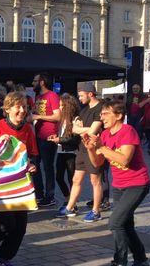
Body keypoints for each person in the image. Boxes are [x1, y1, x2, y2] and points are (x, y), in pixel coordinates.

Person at [82, 101, 150, 266]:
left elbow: (124, 159)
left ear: (119, 115)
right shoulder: (105, 134)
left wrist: (101, 147)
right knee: (126, 224)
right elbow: (97, 163)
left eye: (106, 113)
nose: (102, 117)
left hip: (137, 184)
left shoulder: (128, 131)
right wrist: (91, 149)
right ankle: (141, 260)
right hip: (119, 185)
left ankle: (120, 263)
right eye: (102, 114)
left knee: (115, 223)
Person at [0, 92, 38, 266]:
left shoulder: (28, 130)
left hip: (20, 186)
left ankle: (2, 257)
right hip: (0, 187)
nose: (22, 110)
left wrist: (32, 165)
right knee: (6, 225)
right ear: (7, 109)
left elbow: (32, 155)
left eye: (24, 106)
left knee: (20, 228)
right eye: (18, 106)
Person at [56, 82, 104, 221]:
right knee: (76, 179)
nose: (80, 98)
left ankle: (96, 211)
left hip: (94, 150)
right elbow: (75, 129)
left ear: (90, 94)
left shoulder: (100, 108)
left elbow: (92, 131)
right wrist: (83, 130)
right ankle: (69, 208)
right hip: (82, 149)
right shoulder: (84, 110)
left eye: (82, 95)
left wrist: (82, 129)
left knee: (95, 181)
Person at [31, 73, 61, 207]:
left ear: (42, 82)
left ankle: (50, 196)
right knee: (35, 166)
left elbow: (57, 117)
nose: (33, 83)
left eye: (35, 81)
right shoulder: (38, 97)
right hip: (37, 136)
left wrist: (38, 116)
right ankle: (39, 194)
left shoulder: (52, 96)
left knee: (48, 167)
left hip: (49, 137)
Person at [48, 94, 80, 208]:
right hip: (61, 151)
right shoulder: (62, 119)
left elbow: (75, 138)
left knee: (72, 179)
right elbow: (63, 134)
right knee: (59, 177)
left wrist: (60, 139)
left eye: (62, 105)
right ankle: (68, 199)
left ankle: (72, 204)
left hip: (71, 153)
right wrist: (56, 136)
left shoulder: (75, 119)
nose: (60, 108)